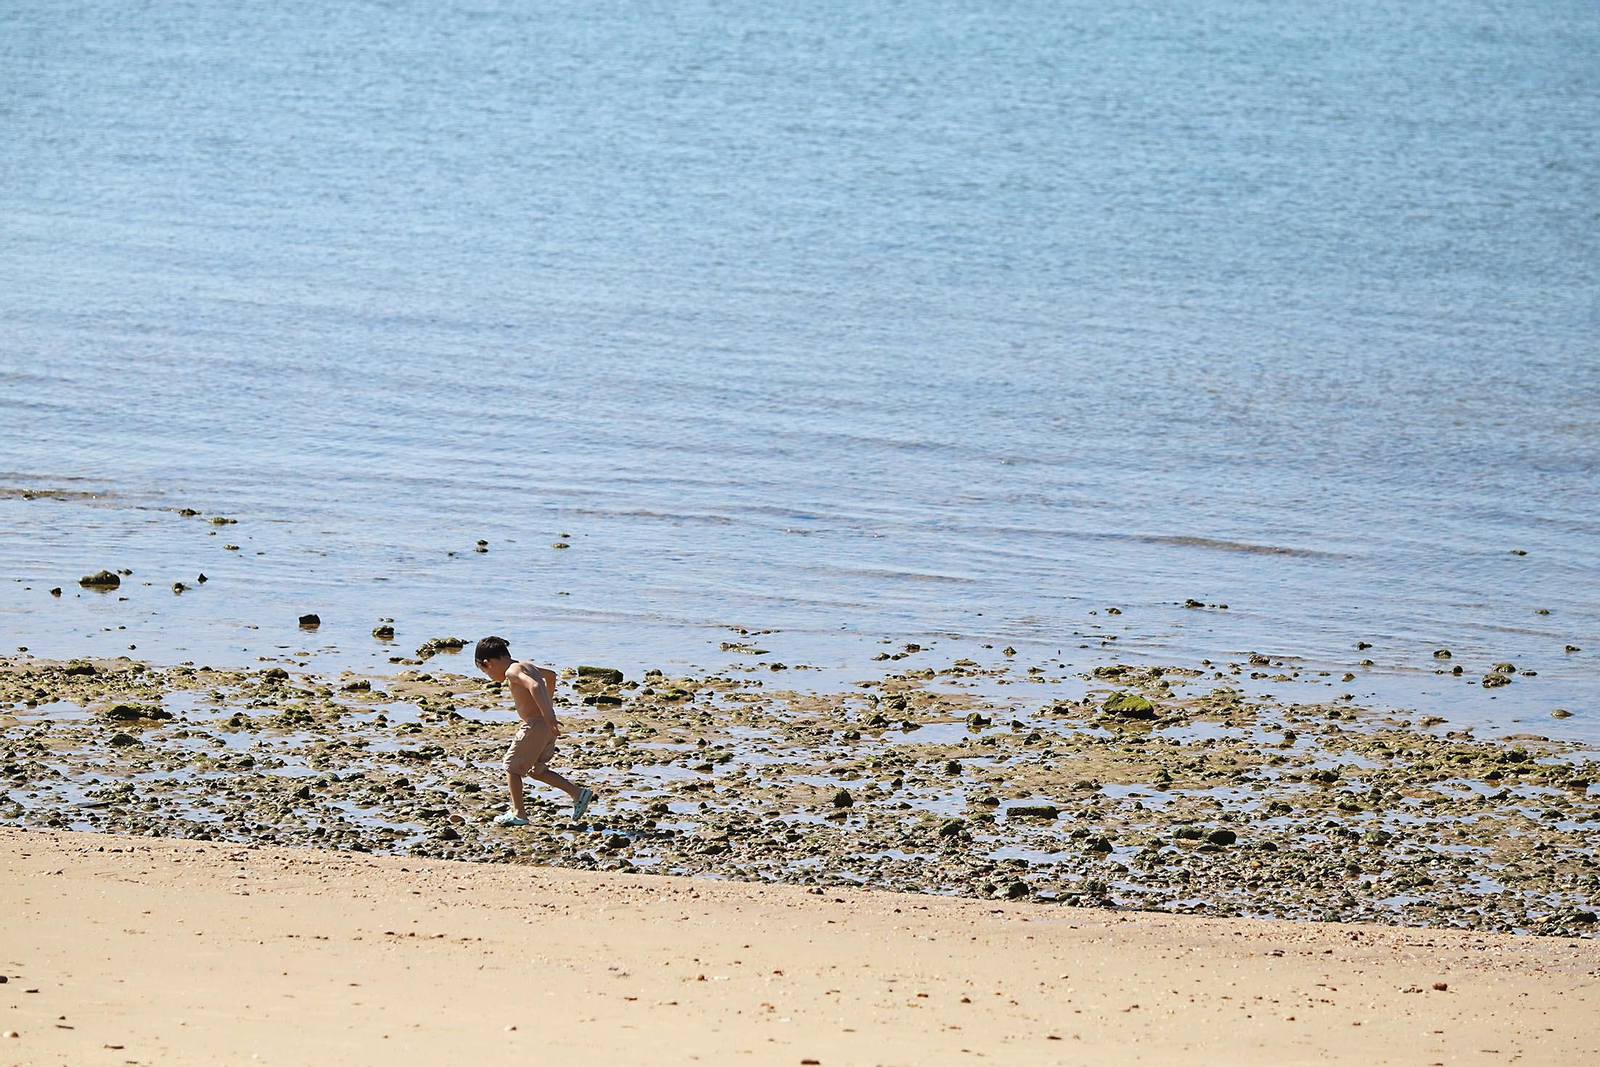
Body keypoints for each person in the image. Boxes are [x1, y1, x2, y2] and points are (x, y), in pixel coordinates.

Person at [474, 635, 595, 825]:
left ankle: (519, 814)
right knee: (535, 770)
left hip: (535, 725)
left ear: (488, 663)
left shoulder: (511, 672)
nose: (490, 677)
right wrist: (548, 706)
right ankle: (578, 793)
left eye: (486, 673)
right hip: (545, 727)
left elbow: (536, 685)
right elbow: (551, 676)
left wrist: (548, 715)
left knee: (511, 767)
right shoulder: (525, 665)